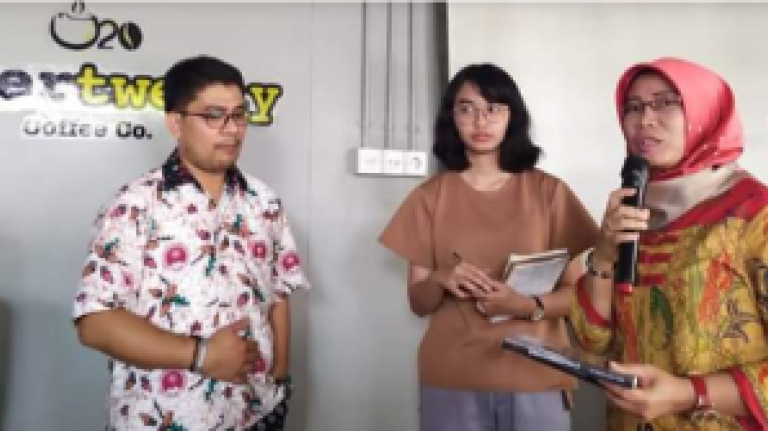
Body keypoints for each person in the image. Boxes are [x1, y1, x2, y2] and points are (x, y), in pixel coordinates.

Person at [73, 55, 308, 431]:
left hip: (256, 411)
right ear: (176, 123)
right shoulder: (134, 206)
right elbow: (95, 322)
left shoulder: (263, 201)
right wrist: (201, 355)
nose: (231, 130)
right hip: (166, 417)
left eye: (239, 115)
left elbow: (279, 291)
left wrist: (279, 378)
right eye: (214, 116)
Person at [378, 63, 599, 431]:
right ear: (451, 118)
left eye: (493, 108)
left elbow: (579, 296)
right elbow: (418, 303)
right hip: (453, 376)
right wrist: (442, 278)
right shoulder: (429, 197)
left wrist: (525, 305)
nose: (480, 121)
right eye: (467, 109)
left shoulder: (549, 192)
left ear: (512, 116)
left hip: (537, 374)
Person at [571, 57, 768, 430]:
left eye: (665, 103)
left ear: (707, 111)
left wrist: (688, 393)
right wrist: (604, 255)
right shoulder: (631, 211)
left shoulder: (754, 215)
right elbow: (593, 341)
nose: (645, 119)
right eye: (633, 107)